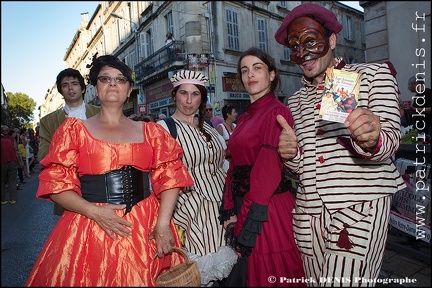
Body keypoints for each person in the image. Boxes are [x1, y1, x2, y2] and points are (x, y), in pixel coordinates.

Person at [25, 55, 194, 287]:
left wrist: (163, 224)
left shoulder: (152, 131)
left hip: (147, 224)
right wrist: (95, 213)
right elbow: (56, 186)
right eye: (105, 79)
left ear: (129, 90)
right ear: (96, 89)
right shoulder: (73, 131)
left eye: (120, 79)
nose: (113, 84)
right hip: (90, 224)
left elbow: (171, 176)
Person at [274, 3, 406, 285]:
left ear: (331, 40)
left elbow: (390, 140)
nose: (303, 54)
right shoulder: (294, 101)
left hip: (357, 211)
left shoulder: (373, 75)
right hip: (309, 218)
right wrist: (291, 155)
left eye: (311, 42)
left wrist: (372, 138)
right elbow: (302, 167)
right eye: (294, 47)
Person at [219, 47, 305, 287]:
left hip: (265, 211)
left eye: (257, 68)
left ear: (272, 74)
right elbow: (234, 166)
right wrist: (229, 209)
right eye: (245, 70)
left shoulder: (277, 111)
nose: (250, 75)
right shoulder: (246, 116)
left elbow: (265, 176)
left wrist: (245, 224)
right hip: (243, 204)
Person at [157, 70, 238, 286]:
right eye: (184, 93)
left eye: (195, 94)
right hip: (192, 211)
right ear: (174, 95)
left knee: (231, 272)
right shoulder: (164, 129)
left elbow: (222, 162)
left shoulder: (208, 126)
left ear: (202, 98)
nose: (189, 100)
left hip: (224, 207)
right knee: (204, 275)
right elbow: (159, 176)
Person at [38, 68, 100, 216]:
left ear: (83, 88)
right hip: (68, 186)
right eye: (65, 85)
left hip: (99, 183)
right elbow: (43, 153)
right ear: (61, 91)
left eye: (74, 83)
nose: (70, 88)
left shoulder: (100, 112)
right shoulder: (48, 121)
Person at [1, 125, 20, 205]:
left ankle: (3, 199)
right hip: (13, 161)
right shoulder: (12, 139)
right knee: (12, 181)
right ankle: (13, 199)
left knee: (2, 181)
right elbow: (15, 149)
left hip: (3, 162)